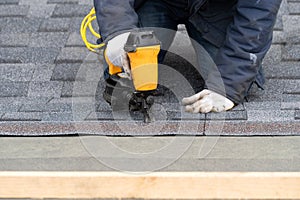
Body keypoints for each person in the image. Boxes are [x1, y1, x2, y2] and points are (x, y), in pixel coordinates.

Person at [94, 0, 282, 113]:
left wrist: (229, 83)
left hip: (215, 6)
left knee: (227, 80)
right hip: (152, 1)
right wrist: (118, 30)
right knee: (128, 77)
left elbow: (258, 10)